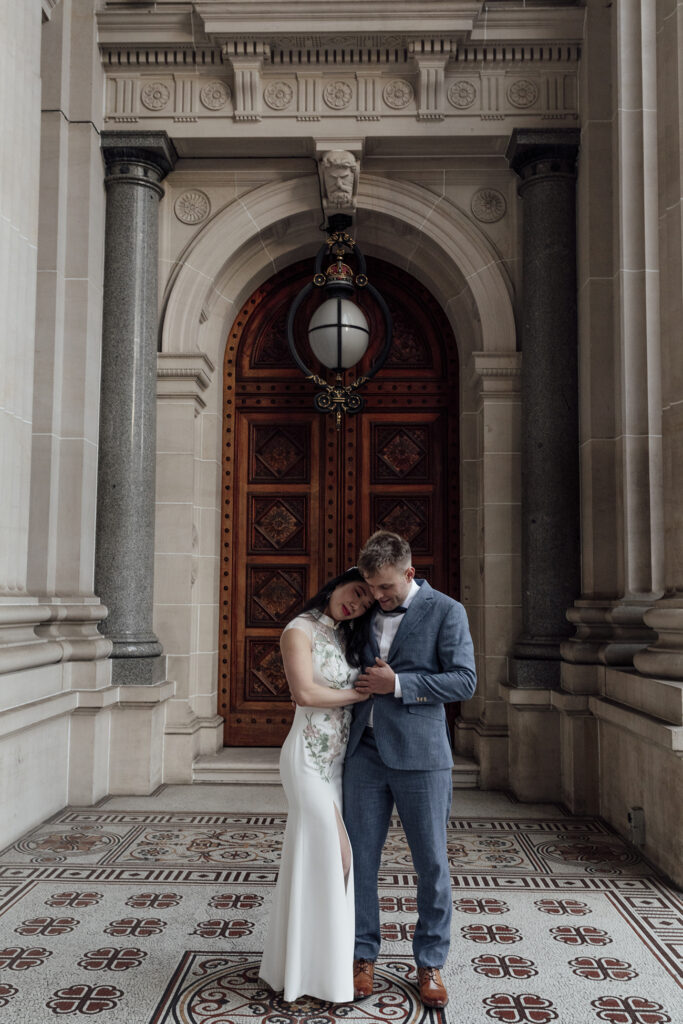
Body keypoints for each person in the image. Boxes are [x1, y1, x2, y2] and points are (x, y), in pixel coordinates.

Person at [343, 531, 477, 1009]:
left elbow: (465, 679)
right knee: (358, 860)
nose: (377, 597)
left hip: (422, 756)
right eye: (372, 587)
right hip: (363, 753)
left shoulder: (447, 611)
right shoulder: (362, 611)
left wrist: (397, 683)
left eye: (386, 589)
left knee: (432, 864)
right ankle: (362, 954)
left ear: (409, 573)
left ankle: (430, 961)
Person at [259, 568, 375, 1004]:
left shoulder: (344, 636)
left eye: (364, 604)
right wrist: (359, 695)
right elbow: (304, 693)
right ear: (337, 584)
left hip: (337, 764)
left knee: (314, 858)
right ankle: (319, 969)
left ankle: (304, 968)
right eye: (356, 592)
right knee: (337, 854)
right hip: (307, 758)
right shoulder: (298, 630)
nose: (356, 604)